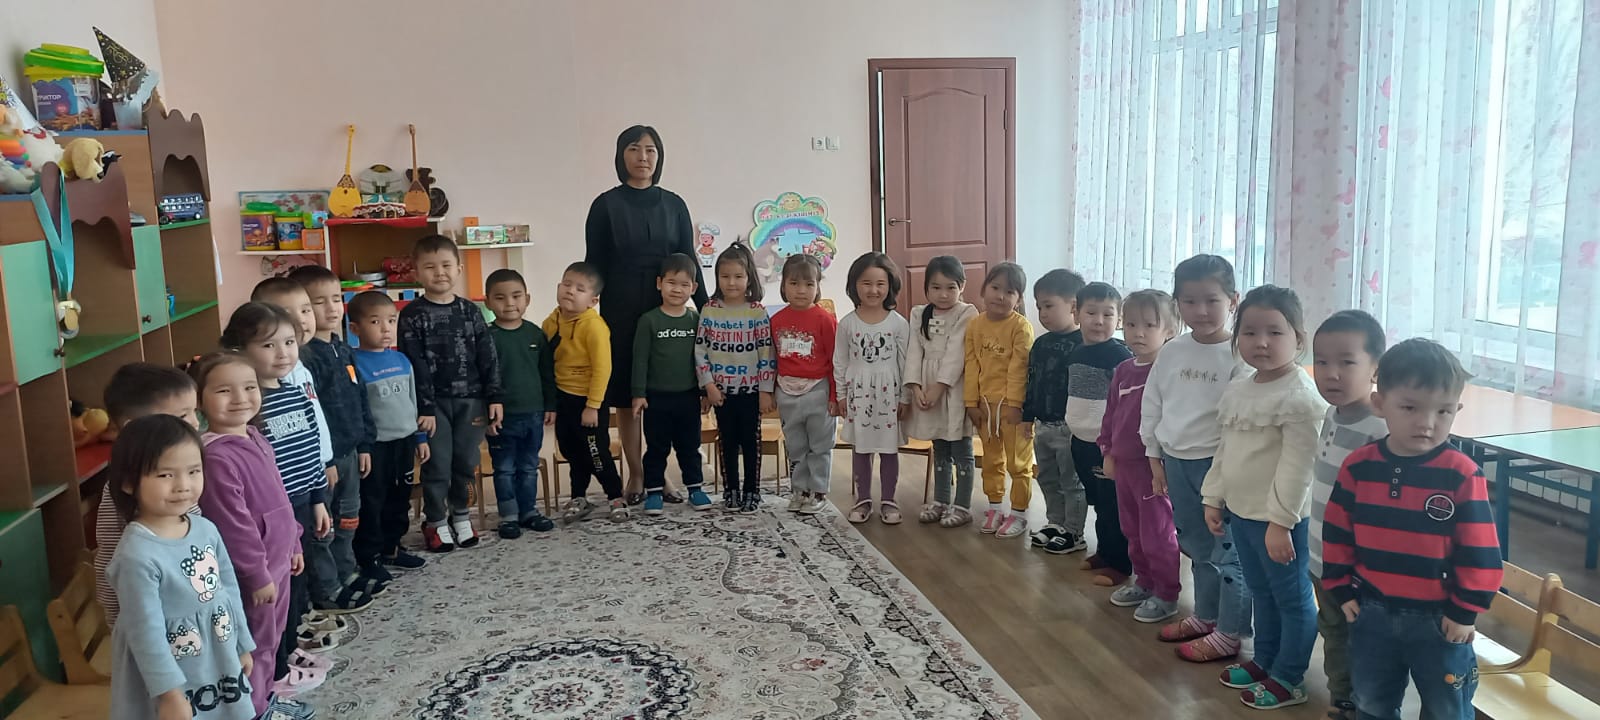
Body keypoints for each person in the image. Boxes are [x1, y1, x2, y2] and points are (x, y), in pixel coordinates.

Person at [1323, 339, 1501, 720]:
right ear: (1379, 403)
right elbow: (1337, 532)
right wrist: (1340, 587)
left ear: (1457, 410)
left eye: (1443, 411)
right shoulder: (1358, 467)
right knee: (1371, 703)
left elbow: (1481, 551)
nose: (1427, 422)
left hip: (1440, 619)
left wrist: (1465, 610)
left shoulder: (1462, 474)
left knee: (1447, 709)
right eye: (1410, 408)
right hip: (1371, 610)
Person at [1202, 285, 1327, 710]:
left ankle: (1289, 677)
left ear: (1298, 337)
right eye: (1250, 332)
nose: (1261, 342)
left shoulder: (1300, 398)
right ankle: (1266, 661)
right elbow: (1226, 448)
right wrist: (1213, 496)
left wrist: (1281, 522)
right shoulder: (1241, 387)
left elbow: (1298, 468)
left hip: (1282, 523)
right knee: (1261, 592)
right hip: (1243, 514)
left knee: (1291, 598)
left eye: (1275, 332)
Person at [585, 125, 709, 504]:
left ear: (659, 156)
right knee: (628, 394)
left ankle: (660, 475)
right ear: (621, 154)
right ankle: (637, 474)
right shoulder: (605, 205)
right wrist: (581, 302)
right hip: (621, 308)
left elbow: (688, 260)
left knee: (663, 392)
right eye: (634, 149)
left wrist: (707, 305)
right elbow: (594, 263)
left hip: (668, 307)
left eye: (651, 150)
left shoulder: (674, 204)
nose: (643, 157)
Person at [187, 352, 313, 719]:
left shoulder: (256, 437)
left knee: (272, 638)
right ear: (199, 400)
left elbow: (279, 498)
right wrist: (256, 575)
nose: (240, 398)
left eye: (249, 387)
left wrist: (294, 541)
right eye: (224, 391)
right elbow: (233, 527)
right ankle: (253, 710)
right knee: (253, 645)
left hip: (279, 561)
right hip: (255, 576)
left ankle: (265, 698)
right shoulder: (216, 458)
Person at [106, 415, 256, 720]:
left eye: (193, 471)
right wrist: (170, 695)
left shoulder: (205, 529)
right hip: (170, 673)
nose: (183, 486)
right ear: (128, 482)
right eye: (165, 475)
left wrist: (242, 643)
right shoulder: (136, 556)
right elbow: (145, 633)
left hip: (217, 653)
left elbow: (228, 590)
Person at [1142, 254, 1253, 662]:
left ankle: (1230, 631)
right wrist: (1154, 457)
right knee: (1195, 545)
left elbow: (1239, 420)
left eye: (1212, 300)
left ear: (1233, 301)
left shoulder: (1240, 354)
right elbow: (1153, 403)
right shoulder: (1172, 351)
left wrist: (1224, 473)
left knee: (1228, 552)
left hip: (1218, 466)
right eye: (1189, 301)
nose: (1201, 311)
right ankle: (1206, 616)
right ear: (1177, 304)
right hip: (1176, 460)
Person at [220, 303, 336, 688]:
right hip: (270, 516)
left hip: (300, 505)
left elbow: (311, 447)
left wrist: (318, 498)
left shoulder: (295, 392)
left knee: (296, 586)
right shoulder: (248, 407)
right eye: (269, 345)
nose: (283, 353)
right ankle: (276, 670)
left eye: (289, 342)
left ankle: (288, 650)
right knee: (273, 592)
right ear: (240, 350)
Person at [1307, 310, 1389, 720]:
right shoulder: (1330, 415)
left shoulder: (1381, 429)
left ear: (1376, 369)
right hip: (1322, 559)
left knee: (1364, 640)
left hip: (1357, 568)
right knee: (1334, 632)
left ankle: (1369, 706)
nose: (1331, 374)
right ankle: (1342, 700)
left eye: (1346, 362)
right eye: (1321, 362)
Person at [398, 235, 504, 552]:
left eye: (446, 265)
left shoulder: (471, 311)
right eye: (430, 267)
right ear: (417, 272)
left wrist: (495, 396)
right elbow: (413, 364)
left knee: (466, 462)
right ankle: (435, 521)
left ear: (458, 268)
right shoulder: (412, 314)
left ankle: (461, 516)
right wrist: (425, 408)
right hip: (434, 407)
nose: (439, 272)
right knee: (438, 465)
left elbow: (488, 356)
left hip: (472, 401)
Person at [288, 266, 380, 605]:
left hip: (351, 450)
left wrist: (365, 443)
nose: (331, 309)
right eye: (317, 302)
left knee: (349, 517)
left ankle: (347, 571)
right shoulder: (305, 358)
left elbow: (360, 396)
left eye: (336, 299)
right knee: (323, 526)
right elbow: (313, 415)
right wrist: (324, 460)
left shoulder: (342, 347)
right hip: (324, 460)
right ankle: (328, 589)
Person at [251, 279, 342, 617]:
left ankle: (303, 612)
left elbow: (312, 429)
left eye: (304, 310)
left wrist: (324, 465)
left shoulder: (299, 371)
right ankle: (304, 611)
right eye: (286, 313)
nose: (300, 320)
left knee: (310, 544)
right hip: (278, 495)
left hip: (310, 478)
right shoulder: (261, 390)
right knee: (289, 560)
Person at [93, 364, 199, 630]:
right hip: (152, 622)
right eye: (182, 416)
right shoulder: (123, 491)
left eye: (194, 412)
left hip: (192, 609)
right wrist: (117, 621)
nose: (195, 424)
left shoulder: (182, 474)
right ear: (135, 428)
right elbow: (109, 560)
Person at [1099, 290, 1182, 624]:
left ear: (1170, 330)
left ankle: (1166, 593)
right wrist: (1107, 451)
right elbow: (1111, 415)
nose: (1139, 332)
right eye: (1131, 324)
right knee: (1131, 528)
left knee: (1157, 533)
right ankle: (1144, 582)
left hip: (1153, 467)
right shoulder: (1123, 370)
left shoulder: (1169, 371)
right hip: (1124, 467)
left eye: (1149, 325)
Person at [347, 291, 432, 574]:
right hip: (375, 446)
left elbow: (412, 401)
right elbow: (356, 409)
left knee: (399, 497)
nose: (385, 329)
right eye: (375, 322)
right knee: (373, 501)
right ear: (355, 328)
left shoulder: (402, 360)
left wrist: (420, 437)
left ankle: (392, 548)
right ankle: (369, 556)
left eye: (391, 321)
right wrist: (362, 447)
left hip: (404, 441)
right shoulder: (353, 364)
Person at [544, 262, 629, 523]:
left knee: (596, 453)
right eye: (567, 284)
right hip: (563, 398)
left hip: (588, 401)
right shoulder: (551, 321)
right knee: (572, 451)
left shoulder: (594, 327)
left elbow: (603, 369)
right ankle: (578, 497)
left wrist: (593, 406)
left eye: (580, 289)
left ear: (593, 301)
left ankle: (616, 496)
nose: (570, 291)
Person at [697, 243, 777, 512]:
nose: (731, 282)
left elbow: (766, 352)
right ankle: (731, 489)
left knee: (751, 442)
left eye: (738, 276)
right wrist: (708, 385)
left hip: (751, 392)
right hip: (721, 392)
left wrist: (765, 390)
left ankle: (752, 491)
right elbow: (700, 351)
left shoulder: (757, 311)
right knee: (727, 441)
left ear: (749, 278)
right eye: (725, 276)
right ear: (717, 277)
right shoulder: (709, 309)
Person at [631, 254, 713, 513]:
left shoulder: (695, 320)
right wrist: (638, 393)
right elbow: (640, 359)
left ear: (694, 288)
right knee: (657, 448)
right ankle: (654, 491)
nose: (677, 289)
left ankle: (695, 489)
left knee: (690, 446)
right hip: (656, 398)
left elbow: (703, 358)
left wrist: (705, 391)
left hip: (688, 397)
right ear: (659, 284)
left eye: (684, 284)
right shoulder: (649, 320)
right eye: (671, 282)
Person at [834, 252, 911, 524]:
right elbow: (840, 361)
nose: (873, 290)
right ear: (854, 285)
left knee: (889, 450)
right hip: (859, 396)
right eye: (866, 283)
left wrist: (905, 397)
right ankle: (863, 500)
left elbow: (906, 363)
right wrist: (841, 395)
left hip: (889, 395)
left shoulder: (898, 323)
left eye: (880, 283)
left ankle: (889, 501)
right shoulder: (847, 323)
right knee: (861, 448)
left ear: (890, 285)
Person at [1067, 282, 1135, 586]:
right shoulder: (1077, 352)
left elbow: (1126, 404)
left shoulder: (1118, 355)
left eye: (1108, 315)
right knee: (1097, 501)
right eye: (1091, 313)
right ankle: (1105, 552)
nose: (1099, 321)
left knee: (1113, 503)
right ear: (1076, 313)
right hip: (1081, 441)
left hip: (1105, 444)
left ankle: (1120, 563)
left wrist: (1115, 445)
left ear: (1118, 319)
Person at [484, 269, 560, 535]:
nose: (509, 303)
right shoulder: (486, 338)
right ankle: (508, 516)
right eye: (500, 298)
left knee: (528, 466)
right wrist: (485, 414)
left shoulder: (535, 335)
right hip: (501, 417)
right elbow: (481, 379)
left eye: (516, 296)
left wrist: (550, 405)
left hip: (533, 413)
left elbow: (547, 374)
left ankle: (528, 511)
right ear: (488, 302)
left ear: (527, 299)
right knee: (504, 468)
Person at [906, 256, 979, 527]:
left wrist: (939, 387)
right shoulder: (918, 313)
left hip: (955, 387)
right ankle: (941, 500)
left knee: (960, 444)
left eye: (951, 287)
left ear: (962, 286)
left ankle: (962, 505)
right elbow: (914, 351)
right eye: (936, 287)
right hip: (927, 386)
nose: (943, 294)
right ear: (926, 288)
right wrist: (915, 387)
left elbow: (956, 353)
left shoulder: (966, 312)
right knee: (939, 444)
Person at [963, 263, 1034, 538]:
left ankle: (1019, 513)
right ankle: (995, 507)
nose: (1001, 296)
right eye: (995, 288)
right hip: (985, 406)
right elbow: (971, 364)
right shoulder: (975, 325)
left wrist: (1016, 405)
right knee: (991, 461)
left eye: (1010, 292)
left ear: (1019, 299)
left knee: (1018, 463)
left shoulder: (1021, 327)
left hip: (1013, 408)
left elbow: (1020, 368)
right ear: (984, 289)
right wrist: (971, 402)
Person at [1022, 268, 1086, 550]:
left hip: (1070, 427)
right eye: (1039, 307)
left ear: (1073, 306)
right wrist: (1027, 417)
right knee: (1047, 477)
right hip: (1043, 425)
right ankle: (1055, 522)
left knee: (1072, 481)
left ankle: (1074, 532)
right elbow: (1032, 381)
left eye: (1048, 306)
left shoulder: (1084, 344)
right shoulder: (1040, 344)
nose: (1042, 314)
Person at [770, 254, 838, 516]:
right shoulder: (776, 320)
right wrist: (770, 392)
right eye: (794, 283)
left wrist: (834, 396)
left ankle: (818, 491)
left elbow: (835, 361)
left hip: (818, 390)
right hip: (786, 392)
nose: (801, 290)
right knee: (796, 446)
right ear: (784, 285)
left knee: (820, 445)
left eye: (809, 284)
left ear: (817, 286)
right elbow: (772, 359)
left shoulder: (825, 320)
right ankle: (800, 490)